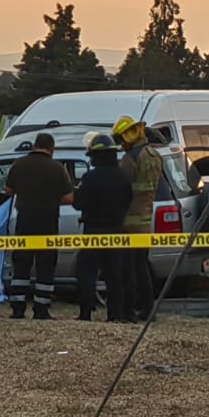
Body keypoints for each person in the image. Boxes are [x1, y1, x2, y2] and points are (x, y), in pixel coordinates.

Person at [4, 133, 74, 320]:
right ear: (51, 149)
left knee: (21, 264)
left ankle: (18, 307)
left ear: (35, 145)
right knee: (45, 265)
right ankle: (41, 308)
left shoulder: (19, 164)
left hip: (24, 220)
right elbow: (68, 198)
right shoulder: (57, 168)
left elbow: (8, 190)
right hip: (48, 221)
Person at [73, 133, 133, 322]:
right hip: (116, 232)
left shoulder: (90, 178)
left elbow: (78, 203)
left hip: (93, 231)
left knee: (87, 274)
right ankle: (114, 315)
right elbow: (128, 201)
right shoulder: (123, 178)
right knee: (114, 276)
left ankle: (85, 314)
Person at [116, 116, 162, 322]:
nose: (120, 144)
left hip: (129, 221)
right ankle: (148, 308)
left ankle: (132, 309)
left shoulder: (130, 159)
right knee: (142, 266)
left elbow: (122, 188)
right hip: (146, 218)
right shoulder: (153, 154)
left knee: (130, 268)